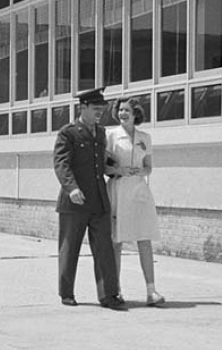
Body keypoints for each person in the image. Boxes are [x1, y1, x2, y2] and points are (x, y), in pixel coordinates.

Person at [53, 88, 124, 309]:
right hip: (75, 201)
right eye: (95, 109)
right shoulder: (68, 133)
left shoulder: (101, 133)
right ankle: (66, 292)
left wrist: (113, 169)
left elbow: (99, 162)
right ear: (82, 108)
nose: (99, 113)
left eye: (102, 110)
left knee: (104, 248)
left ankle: (108, 295)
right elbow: (61, 164)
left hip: (99, 200)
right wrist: (72, 188)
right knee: (69, 247)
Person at [105, 97, 166, 306]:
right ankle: (116, 290)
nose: (122, 113)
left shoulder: (145, 138)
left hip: (139, 191)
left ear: (136, 113)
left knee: (144, 239)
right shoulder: (110, 136)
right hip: (118, 189)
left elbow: (149, 166)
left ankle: (151, 291)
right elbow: (104, 167)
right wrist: (119, 170)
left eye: (127, 110)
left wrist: (139, 170)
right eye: (120, 110)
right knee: (116, 241)